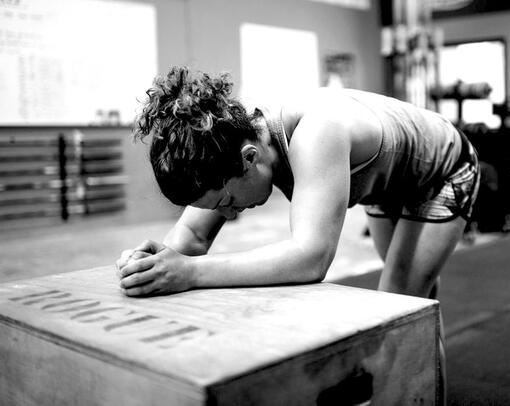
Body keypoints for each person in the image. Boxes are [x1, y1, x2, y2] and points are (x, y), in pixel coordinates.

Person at [116, 66, 479, 401]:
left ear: (249, 156)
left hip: (442, 170)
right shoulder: (227, 144)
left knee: (398, 301)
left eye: (226, 200)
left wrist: (190, 272)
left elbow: (312, 257)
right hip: (389, 182)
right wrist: (152, 264)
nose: (227, 213)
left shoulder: (316, 132)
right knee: (417, 300)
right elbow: (192, 236)